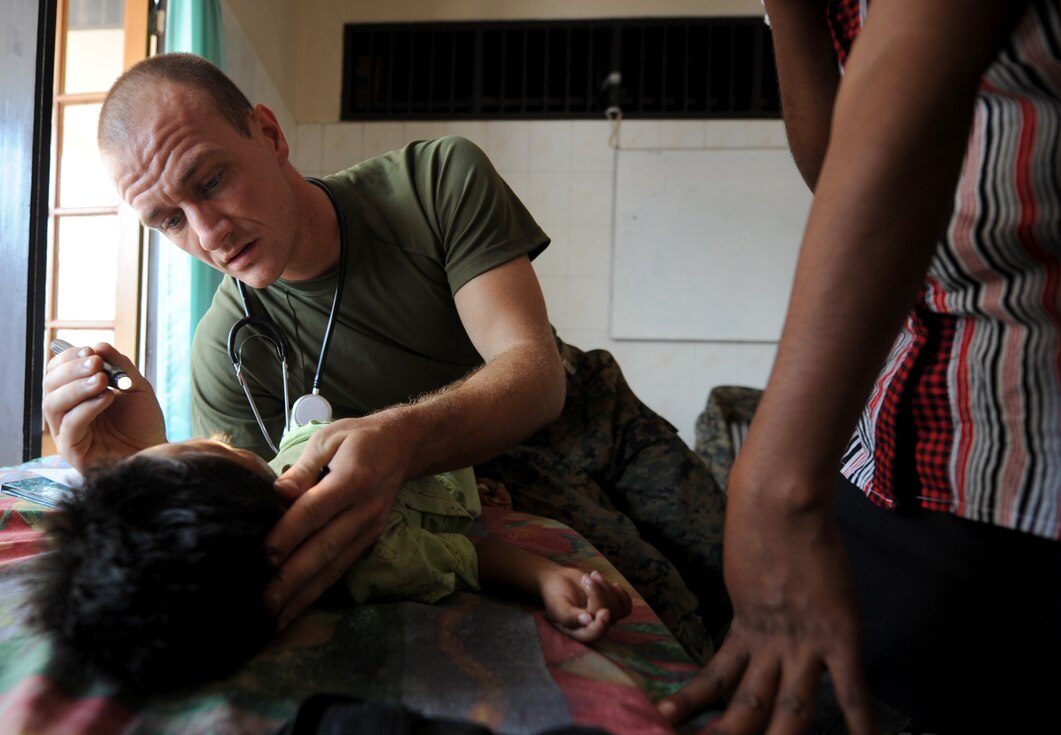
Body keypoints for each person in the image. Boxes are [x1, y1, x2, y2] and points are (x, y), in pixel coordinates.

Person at [40, 53, 728, 665]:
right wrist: (127, 468)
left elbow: (535, 373)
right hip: (489, 488)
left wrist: (398, 438)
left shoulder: (435, 182)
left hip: (587, 414)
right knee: (669, 623)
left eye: (211, 179)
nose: (209, 233)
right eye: (169, 220)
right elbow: (253, 541)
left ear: (271, 135)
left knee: (748, 572)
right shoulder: (226, 356)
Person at [657, 1, 1061, 735]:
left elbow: (911, 63)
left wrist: (774, 484)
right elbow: (835, 165)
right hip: (903, 449)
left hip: (1054, 469)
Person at [28, 419, 632, 694]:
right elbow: (473, 553)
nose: (203, 435)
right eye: (190, 445)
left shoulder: (299, 457)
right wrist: (550, 575)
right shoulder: (374, 557)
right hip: (494, 464)